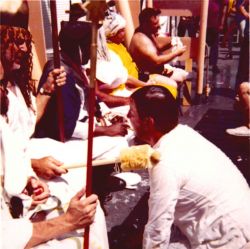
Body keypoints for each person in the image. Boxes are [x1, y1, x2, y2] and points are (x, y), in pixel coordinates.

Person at [127, 85, 250, 249]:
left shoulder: (164, 163)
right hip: (240, 224)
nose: (127, 116)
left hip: (232, 242)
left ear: (149, 122)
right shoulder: (184, 133)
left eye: (132, 114)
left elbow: (157, 230)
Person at [34, 22, 130, 141]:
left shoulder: (75, 65)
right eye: (90, 46)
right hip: (61, 140)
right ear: (78, 48)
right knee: (121, 144)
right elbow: (65, 126)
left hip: (84, 125)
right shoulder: (61, 75)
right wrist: (106, 130)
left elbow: (92, 98)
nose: (93, 51)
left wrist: (109, 115)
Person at [103, 12, 178, 98]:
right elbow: (126, 78)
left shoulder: (119, 44)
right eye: (122, 30)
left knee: (173, 85)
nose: (125, 33)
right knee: (169, 90)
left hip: (139, 76)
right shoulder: (110, 51)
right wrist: (146, 85)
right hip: (130, 86)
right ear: (113, 32)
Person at [129, 8, 189, 84]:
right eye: (155, 24)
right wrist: (176, 53)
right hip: (146, 77)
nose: (159, 26)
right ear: (145, 24)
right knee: (182, 76)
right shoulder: (141, 39)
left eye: (158, 23)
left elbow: (158, 48)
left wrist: (171, 43)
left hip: (157, 71)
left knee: (184, 74)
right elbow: (157, 61)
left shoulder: (148, 32)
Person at [206, 0, 225, 74]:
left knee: (214, 45)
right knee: (203, 44)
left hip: (215, 23)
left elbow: (224, 10)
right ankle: (202, 63)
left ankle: (213, 65)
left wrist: (222, 23)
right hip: (205, 23)